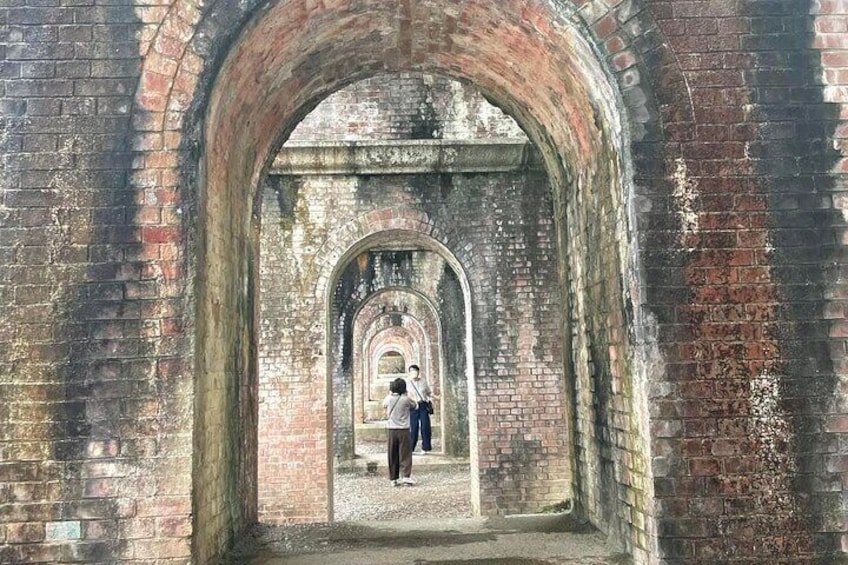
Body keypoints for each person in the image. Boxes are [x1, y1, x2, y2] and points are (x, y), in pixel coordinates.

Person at [383, 377, 417, 486]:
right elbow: (415, 406)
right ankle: (406, 476)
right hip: (404, 430)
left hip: (391, 430)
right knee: (405, 453)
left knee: (392, 453)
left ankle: (393, 478)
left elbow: (384, 406)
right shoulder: (406, 399)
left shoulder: (388, 398)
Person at [405, 364, 437, 454]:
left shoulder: (423, 382)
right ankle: (411, 448)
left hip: (423, 404)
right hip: (413, 406)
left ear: (418, 372)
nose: (414, 373)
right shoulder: (407, 383)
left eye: (415, 371)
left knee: (425, 426)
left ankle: (425, 447)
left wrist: (435, 397)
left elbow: (428, 393)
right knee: (413, 427)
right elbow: (404, 395)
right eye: (411, 371)